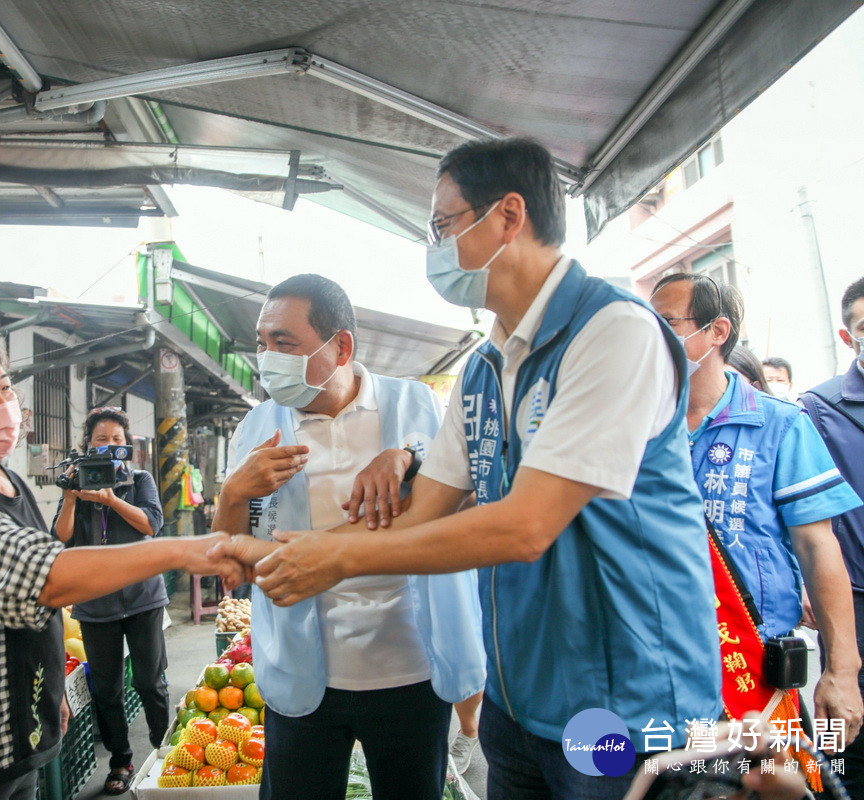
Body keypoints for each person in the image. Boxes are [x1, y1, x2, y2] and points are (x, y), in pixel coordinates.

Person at [218, 138, 723, 800]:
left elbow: (523, 527)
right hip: (521, 697)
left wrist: (332, 560)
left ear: (508, 217)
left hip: (622, 699)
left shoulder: (611, 332)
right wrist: (300, 551)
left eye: (442, 225)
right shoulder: (485, 369)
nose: (435, 248)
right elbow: (421, 509)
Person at [0, 334, 229, 799]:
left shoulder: (8, 481)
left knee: (148, 681)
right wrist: (186, 550)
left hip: (15, 730)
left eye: (6, 388)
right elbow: (49, 575)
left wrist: (51, 690)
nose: (4, 403)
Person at [211, 274, 486, 800]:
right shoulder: (256, 429)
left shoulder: (416, 407)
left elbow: (467, 500)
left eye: (284, 343)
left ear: (341, 347)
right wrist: (232, 494)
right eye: (262, 343)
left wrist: (410, 457)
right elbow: (234, 569)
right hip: (303, 675)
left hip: (410, 669)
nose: (267, 358)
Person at [649, 274, 863, 749]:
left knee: (766, 782)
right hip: (653, 666)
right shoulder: (636, 427)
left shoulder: (780, 424)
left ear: (717, 332)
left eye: (666, 322)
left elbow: (817, 545)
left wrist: (842, 670)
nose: (651, 337)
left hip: (752, 666)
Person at [52, 406, 169, 796]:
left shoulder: (139, 480)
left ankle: (163, 749)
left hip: (142, 596)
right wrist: (71, 497)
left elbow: (152, 523)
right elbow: (61, 538)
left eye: (117, 439)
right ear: (88, 446)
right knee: (106, 687)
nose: (109, 446)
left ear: (127, 445)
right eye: (101, 439)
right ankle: (120, 759)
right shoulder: (77, 484)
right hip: (95, 603)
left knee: (150, 681)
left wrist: (112, 499)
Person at [800, 276, 864, 795]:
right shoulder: (819, 409)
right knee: (842, 732)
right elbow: (803, 519)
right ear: (849, 338)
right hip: (852, 601)